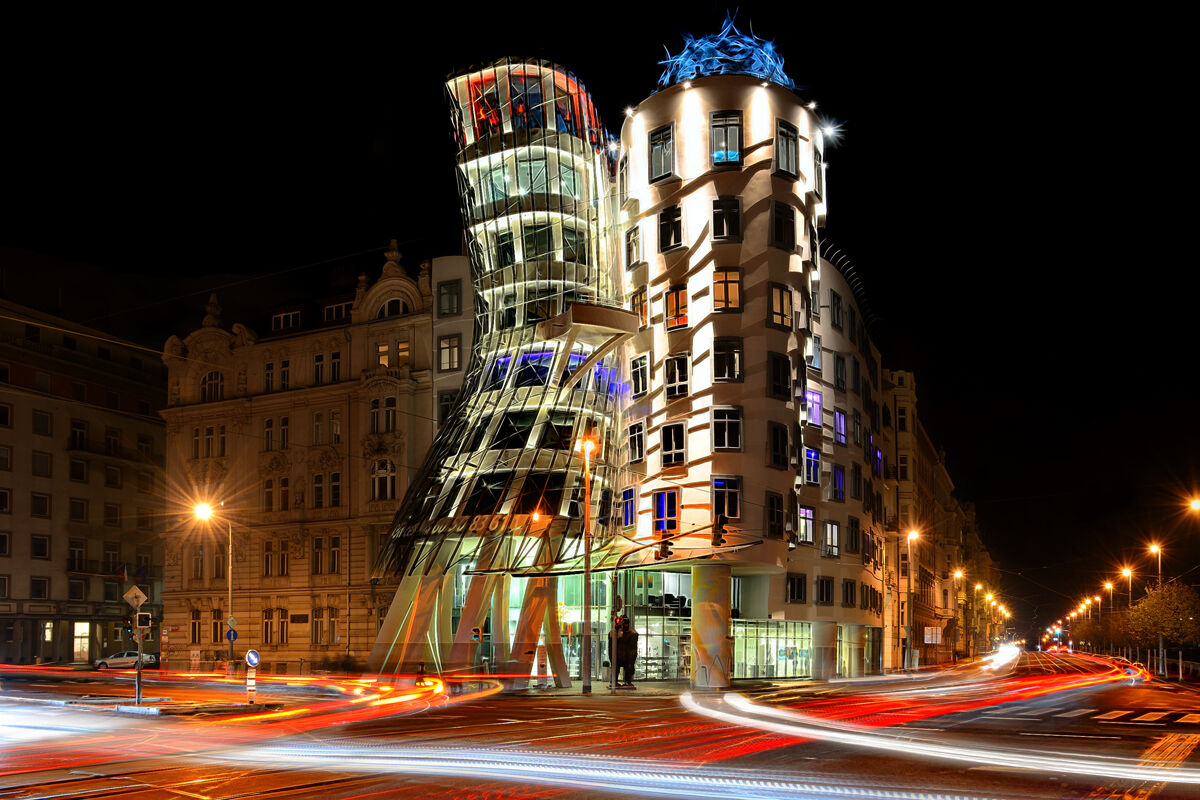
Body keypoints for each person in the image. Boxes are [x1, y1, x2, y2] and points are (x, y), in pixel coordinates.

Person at [615, 615, 639, 687]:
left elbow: (633, 649)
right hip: (619, 655)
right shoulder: (616, 632)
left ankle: (627, 681)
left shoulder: (633, 634)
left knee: (628, 668)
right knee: (616, 668)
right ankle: (616, 681)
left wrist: (632, 659)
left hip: (627, 656)